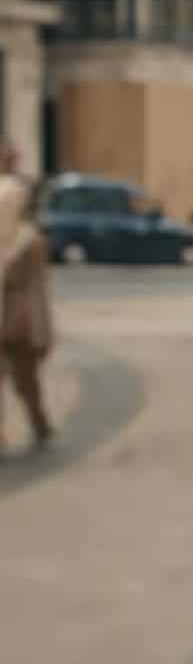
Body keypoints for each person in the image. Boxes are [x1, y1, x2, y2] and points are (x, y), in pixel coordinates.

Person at [0, 172, 53, 457]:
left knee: (26, 378)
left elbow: (37, 289)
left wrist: (43, 330)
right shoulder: (29, 238)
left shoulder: (29, 239)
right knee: (25, 378)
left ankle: (39, 422)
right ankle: (37, 423)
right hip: (18, 318)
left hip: (19, 318)